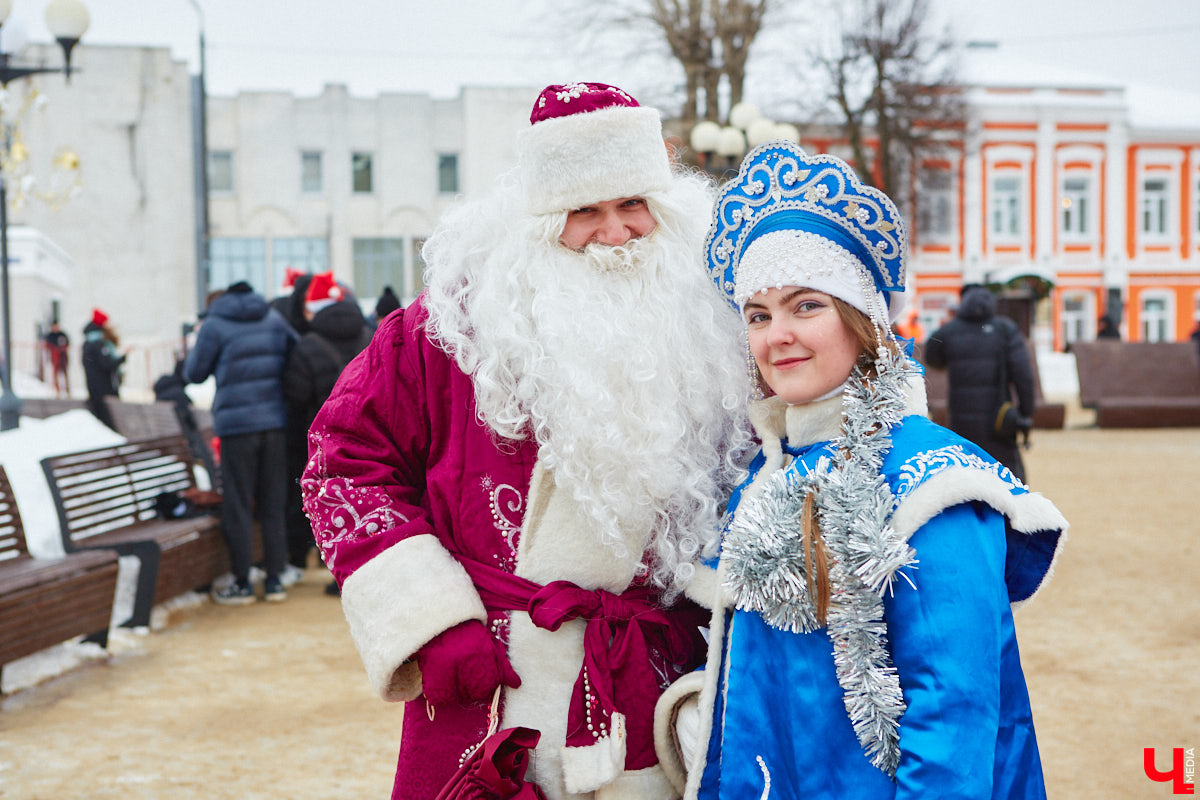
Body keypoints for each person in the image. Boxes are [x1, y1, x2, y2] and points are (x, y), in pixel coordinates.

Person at [301, 81, 750, 799]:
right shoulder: (446, 330)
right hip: (491, 680)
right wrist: (431, 621)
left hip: (654, 677)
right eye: (584, 210)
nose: (615, 233)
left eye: (633, 205)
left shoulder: (715, 326)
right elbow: (342, 462)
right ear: (540, 219)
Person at [652, 141, 1068, 800]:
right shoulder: (767, 474)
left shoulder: (932, 482)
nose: (775, 335)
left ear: (860, 318)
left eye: (805, 305)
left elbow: (953, 718)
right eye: (758, 315)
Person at [183, 281, 299, 605]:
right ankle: (274, 579)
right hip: (275, 423)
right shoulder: (273, 319)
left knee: (238, 502)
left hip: (236, 427)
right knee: (272, 501)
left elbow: (194, 373)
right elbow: (296, 351)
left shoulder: (215, 325)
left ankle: (242, 581)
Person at [282, 271, 372, 586]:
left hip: (325, 438)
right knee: (365, 499)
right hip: (369, 431)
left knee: (330, 500)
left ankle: (337, 568)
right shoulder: (369, 334)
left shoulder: (308, 345)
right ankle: (365, 567)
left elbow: (296, 396)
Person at [923, 284, 1036, 482]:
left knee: (968, 472)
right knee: (1007, 477)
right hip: (1000, 421)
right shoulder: (1005, 330)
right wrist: (1026, 412)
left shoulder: (949, 331)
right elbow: (1023, 375)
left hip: (961, 419)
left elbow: (932, 357)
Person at [81, 308, 126, 430]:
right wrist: (123, 358)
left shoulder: (87, 343)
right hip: (104, 388)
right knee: (109, 420)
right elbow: (106, 364)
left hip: (94, 388)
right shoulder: (97, 343)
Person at [43, 322, 71, 397]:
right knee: (55, 374)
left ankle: (67, 390)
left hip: (63, 356)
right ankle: (57, 390)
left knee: (65, 373)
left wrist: (62, 349)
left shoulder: (62, 334)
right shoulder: (50, 336)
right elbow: (47, 345)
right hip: (55, 357)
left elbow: (67, 343)